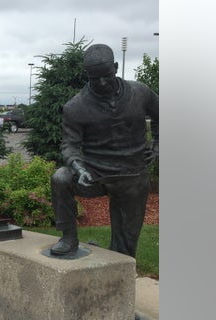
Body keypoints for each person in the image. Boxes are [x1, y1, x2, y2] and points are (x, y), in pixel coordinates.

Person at [49, 43, 159, 258]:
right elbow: (69, 145)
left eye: (106, 75)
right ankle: (69, 238)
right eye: (94, 78)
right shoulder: (76, 106)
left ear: (116, 67)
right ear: (86, 75)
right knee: (61, 178)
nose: (101, 82)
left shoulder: (140, 92)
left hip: (132, 174)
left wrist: (157, 145)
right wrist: (78, 168)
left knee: (124, 252)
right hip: (95, 173)